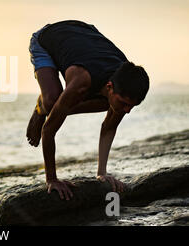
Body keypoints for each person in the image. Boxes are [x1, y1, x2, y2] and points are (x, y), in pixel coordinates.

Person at [26, 20, 149, 201]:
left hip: (85, 34)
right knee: (53, 102)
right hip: (49, 37)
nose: (127, 110)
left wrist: (102, 173)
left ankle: (57, 104)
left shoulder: (126, 84)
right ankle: (41, 107)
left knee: (105, 105)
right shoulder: (81, 81)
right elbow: (49, 130)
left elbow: (109, 127)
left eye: (132, 106)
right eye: (124, 103)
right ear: (109, 87)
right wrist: (52, 179)